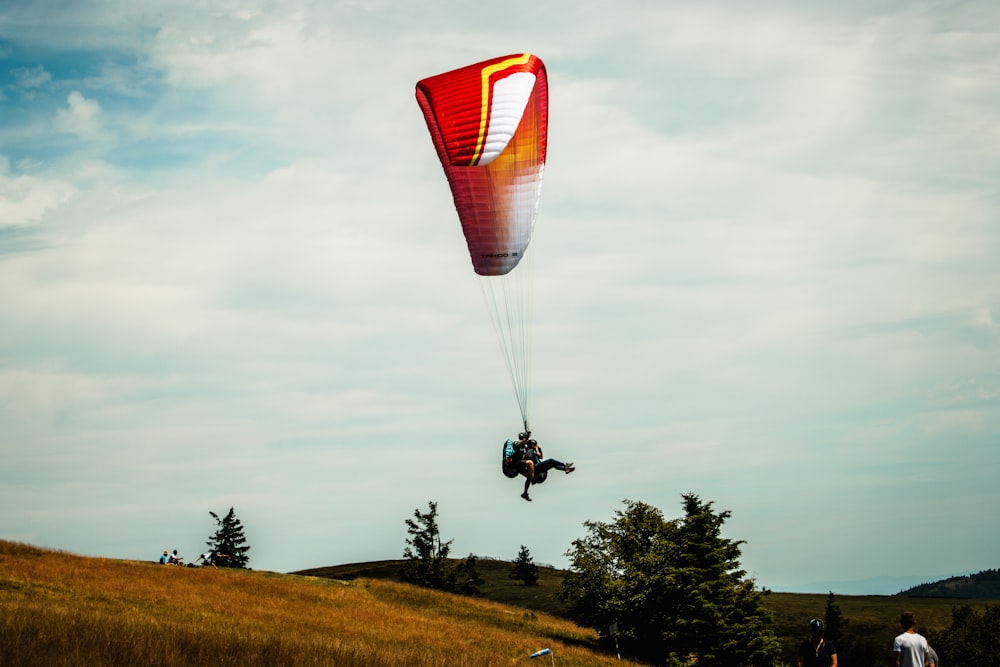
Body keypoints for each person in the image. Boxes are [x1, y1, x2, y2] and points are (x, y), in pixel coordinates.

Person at [513, 432, 574, 502]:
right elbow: (530, 456)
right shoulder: (529, 451)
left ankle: (566, 469)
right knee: (551, 460)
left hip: (538, 467)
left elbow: (541, 456)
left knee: (552, 464)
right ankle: (565, 465)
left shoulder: (531, 450)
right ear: (533, 445)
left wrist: (539, 449)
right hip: (536, 467)